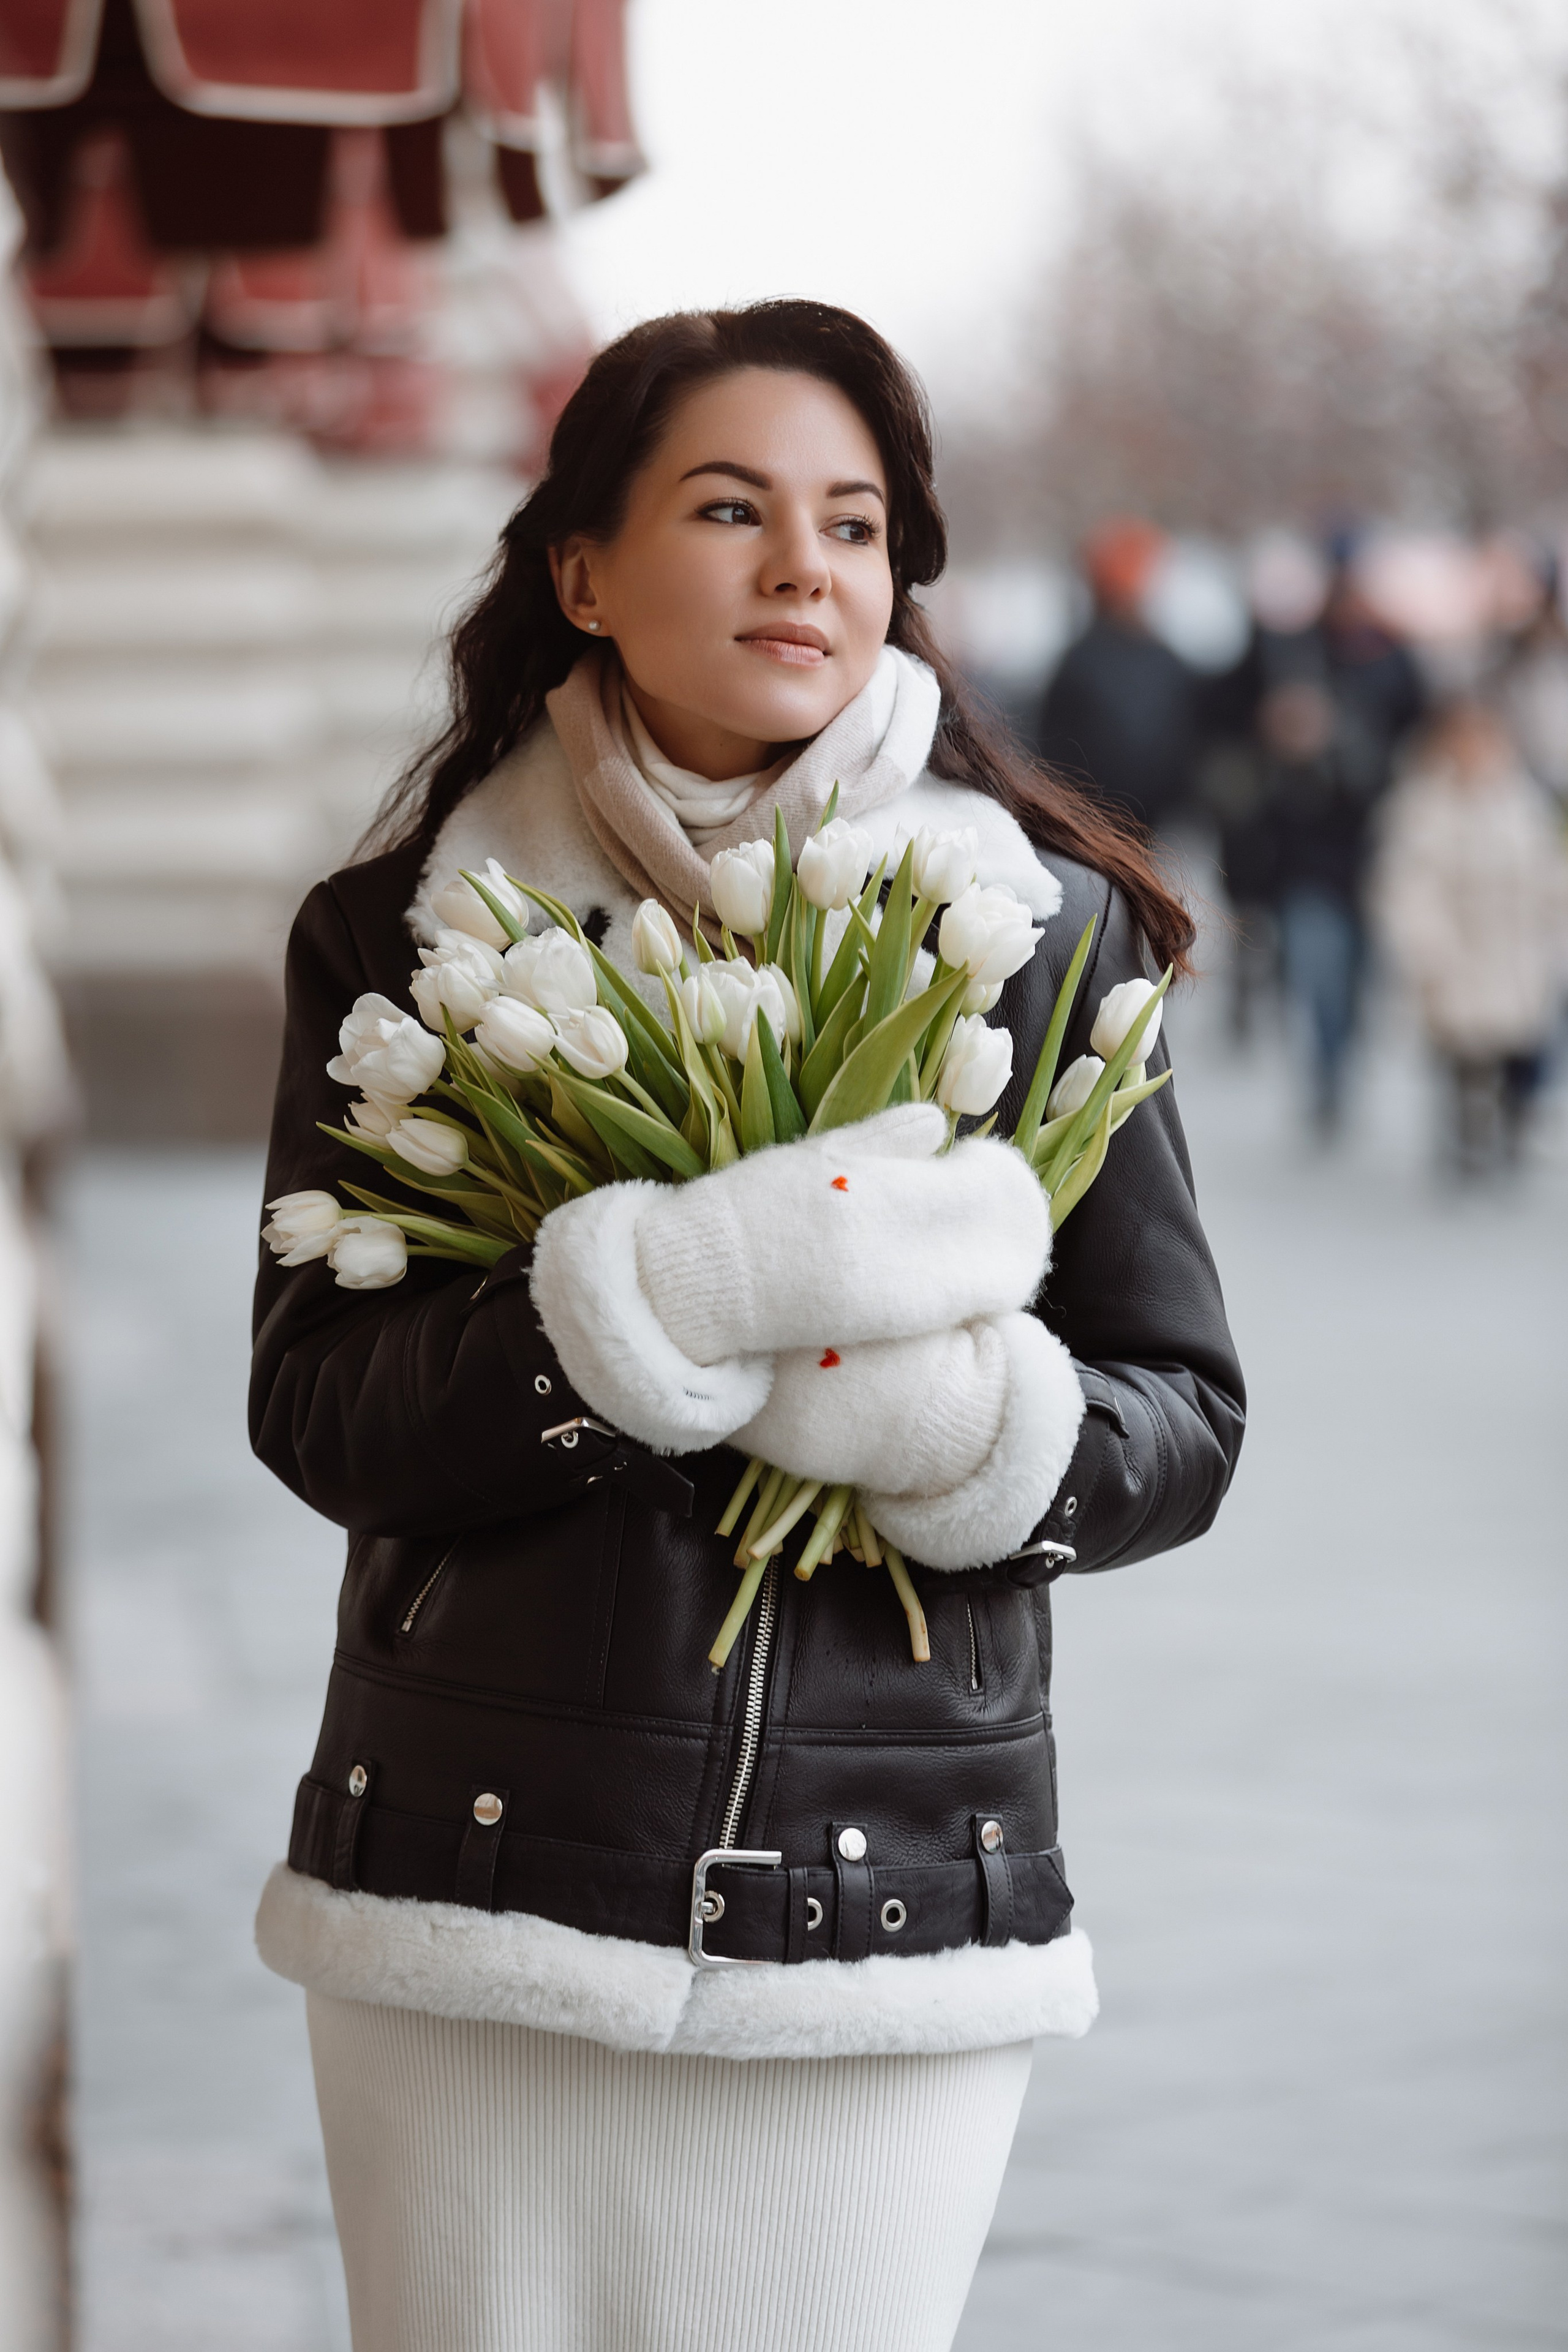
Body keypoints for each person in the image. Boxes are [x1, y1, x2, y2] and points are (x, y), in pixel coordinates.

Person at [249, 301, 1245, 2352]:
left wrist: (965, 1426)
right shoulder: (412, 937)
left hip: (887, 1909)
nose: (807, 564)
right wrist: (652, 1310)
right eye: (733, 508)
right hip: (476, 1887)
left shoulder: (1031, 934)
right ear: (583, 573)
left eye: (855, 523)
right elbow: (322, 1404)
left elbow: (1187, 1415)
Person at [1373, 696, 1568, 1177]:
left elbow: (1551, 870)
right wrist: (1425, 945)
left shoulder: (1525, 800)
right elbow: (1407, 883)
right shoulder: (1423, 805)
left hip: (1517, 949)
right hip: (1458, 949)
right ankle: (1465, 1138)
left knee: (1519, 1050)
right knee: (1462, 1053)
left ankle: (1511, 1127)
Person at [1035, 516, 1199, 834]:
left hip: (1156, 828)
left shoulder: (1163, 660)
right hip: (1098, 829)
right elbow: (1055, 756)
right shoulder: (1083, 662)